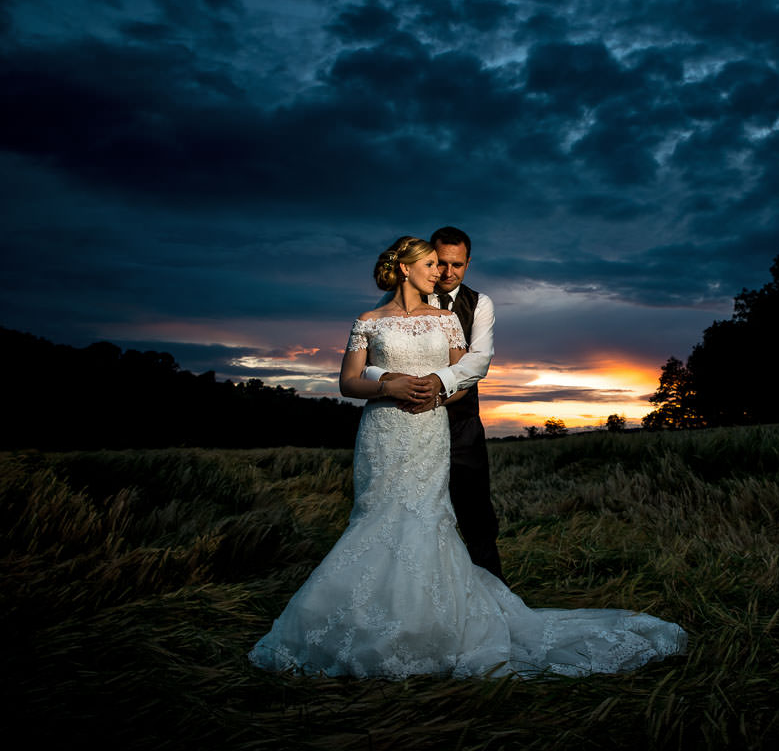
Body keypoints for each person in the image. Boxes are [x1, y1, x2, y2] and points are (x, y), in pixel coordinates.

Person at [248, 236, 686, 679]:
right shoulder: (368, 320)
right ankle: (363, 620)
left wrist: (434, 389)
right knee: (375, 516)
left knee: (426, 518)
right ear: (405, 268)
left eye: (446, 265)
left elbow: (464, 378)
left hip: (428, 429)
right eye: (432, 264)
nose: (441, 272)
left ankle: (428, 625)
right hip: (382, 432)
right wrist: (387, 385)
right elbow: (347, 382)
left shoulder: (448, 321)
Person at [361, 227, 504, 583]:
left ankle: (494, 595)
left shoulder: (479, 304)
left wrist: (439, 385)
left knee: (475, 515)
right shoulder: (393, 302)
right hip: (407, 424)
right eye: (440, 263)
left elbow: (479, 360)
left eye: (457, 265)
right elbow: (370, 354)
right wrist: (391, 379)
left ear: (468, 263)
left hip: (461, 423)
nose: (447, 272)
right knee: (409, 512)